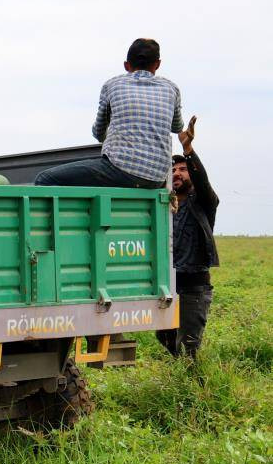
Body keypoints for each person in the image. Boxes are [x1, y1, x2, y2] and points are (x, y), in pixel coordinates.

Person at [35, 38, 185, 188]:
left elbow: (99, 131)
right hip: (157, 178)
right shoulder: (171, 88)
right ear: (158, 64)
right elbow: (177, 127)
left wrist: (108, 135)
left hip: (122, 170)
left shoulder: (113, 85)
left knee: (45, 179)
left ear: (126, 65)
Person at [156, 117, 218, 359]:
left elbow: (202, 182)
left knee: (188, 345)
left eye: (182, 169)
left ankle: (194, 389)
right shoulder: (164, 207)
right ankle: (182, 375)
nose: (177, 173)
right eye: (173, 170)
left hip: (194, 286)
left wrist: (188, 150)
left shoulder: (204, 203)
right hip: (168, 285)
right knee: (164, 337)